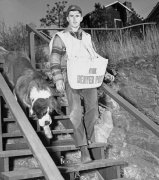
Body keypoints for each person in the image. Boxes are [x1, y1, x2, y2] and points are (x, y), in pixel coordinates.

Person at [50, 5, 114, 163]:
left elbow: (94, 57)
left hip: (86, 77)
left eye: (77, 16)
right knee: (76, 112)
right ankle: (84, 149)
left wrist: (104, 73)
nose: (74, 19)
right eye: (71, 16)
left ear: (81, 18)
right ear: (67, 18)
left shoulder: (87, 37)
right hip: (69, 77)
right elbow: (54, 58)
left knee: (93, 109)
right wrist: (58, 79)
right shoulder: (60, 36)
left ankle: (90, 139)